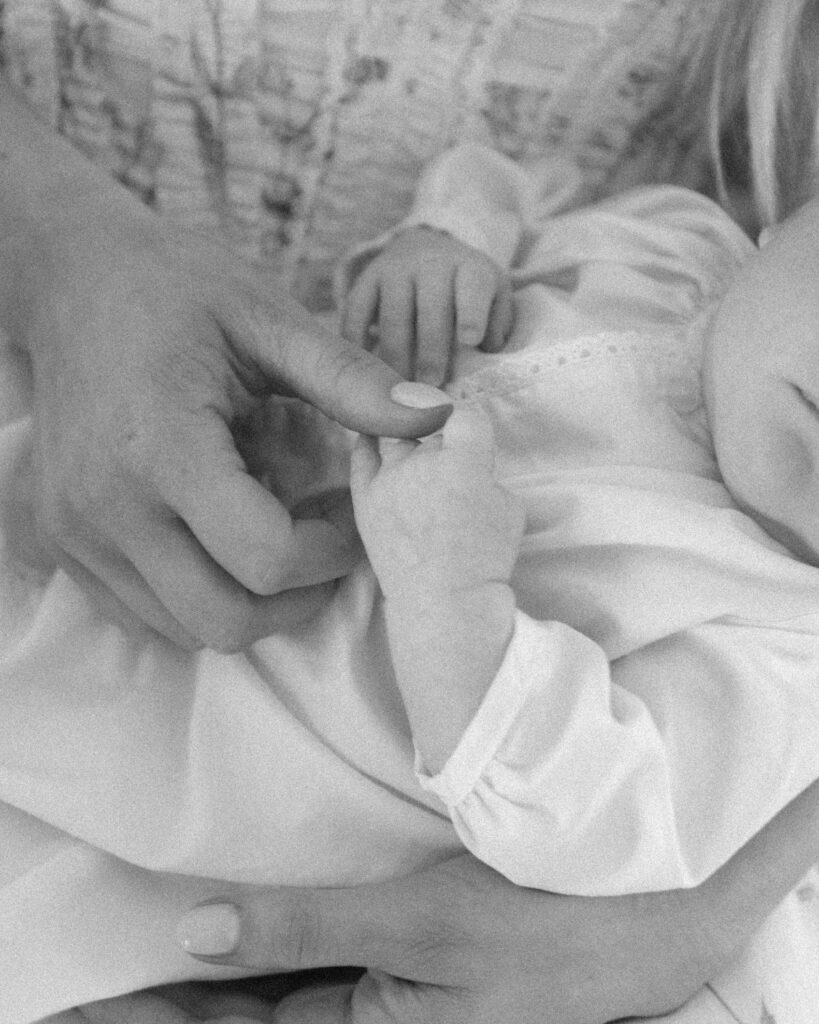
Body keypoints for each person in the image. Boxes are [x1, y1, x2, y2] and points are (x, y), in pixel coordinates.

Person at [1, 0, 818, 1022]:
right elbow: (524, 184)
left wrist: (455, 601)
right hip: (178, 423)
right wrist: (448, 240)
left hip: (206, 733)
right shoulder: (674, 241)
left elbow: (602, 819)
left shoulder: (788, 650)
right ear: (789, 217)